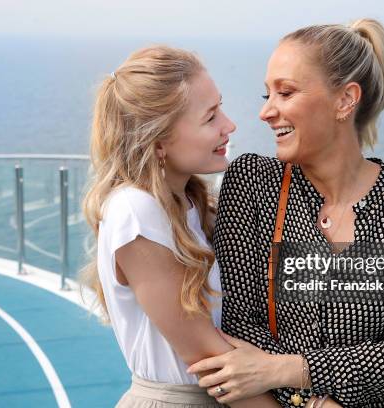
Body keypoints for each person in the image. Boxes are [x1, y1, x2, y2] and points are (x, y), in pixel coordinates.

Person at [187, 18, 384, 407]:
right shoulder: (252, 183)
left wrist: (285, 371)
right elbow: (237, 324)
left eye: (285, 93)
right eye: (266, 95)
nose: (266, 112)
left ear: (345, 100)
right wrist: (314, 399)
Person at [79, 45, 280, 407]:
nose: (229, 126)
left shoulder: (187, 202)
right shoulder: (136, 211)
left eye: (221, 107)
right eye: (210, 117)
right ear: (158, 142)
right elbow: (212, 361)